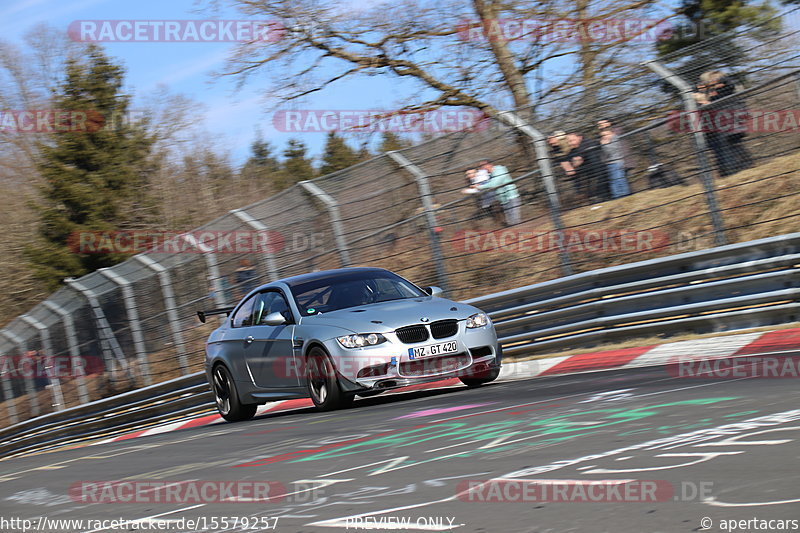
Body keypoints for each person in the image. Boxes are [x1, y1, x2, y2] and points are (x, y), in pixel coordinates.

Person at [694, 70, 754, 177]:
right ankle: (740, 170)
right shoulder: (716, 92)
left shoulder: (724, 89)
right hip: (720, 129)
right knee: (730, 151)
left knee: (728, 153)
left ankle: (735, 173)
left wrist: (705, 102)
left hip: (725, 127)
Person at [463, 159, 521, 226]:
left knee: (515, 220)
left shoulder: (500, 170)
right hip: (503, 200)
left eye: (483, 166)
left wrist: (479, 187)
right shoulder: (488, 175)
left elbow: (494, 184)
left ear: (489, 165)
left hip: (511, 196)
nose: (482, 168)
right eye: (481, 167)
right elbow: (484, 184)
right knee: (510, 221)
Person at [567, 132, 610, 202]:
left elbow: (578, 159)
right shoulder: (575, 149)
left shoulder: (587, 143)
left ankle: (601, 197)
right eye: (569, 141)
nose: (570, 143)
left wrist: (578, 158)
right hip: (591, 173)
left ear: (580, 137)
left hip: (599, 171)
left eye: (572, 140)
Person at [597, 119, 631, 199]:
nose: (600, 126)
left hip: (617, 161)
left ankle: (624, 195)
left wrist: (604, 144)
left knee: (619, 180)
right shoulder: (604, 138)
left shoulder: (614, 136)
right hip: (610, 162)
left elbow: (611, 150)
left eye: (602, 123)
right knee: (613, 181)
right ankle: (617, 197)